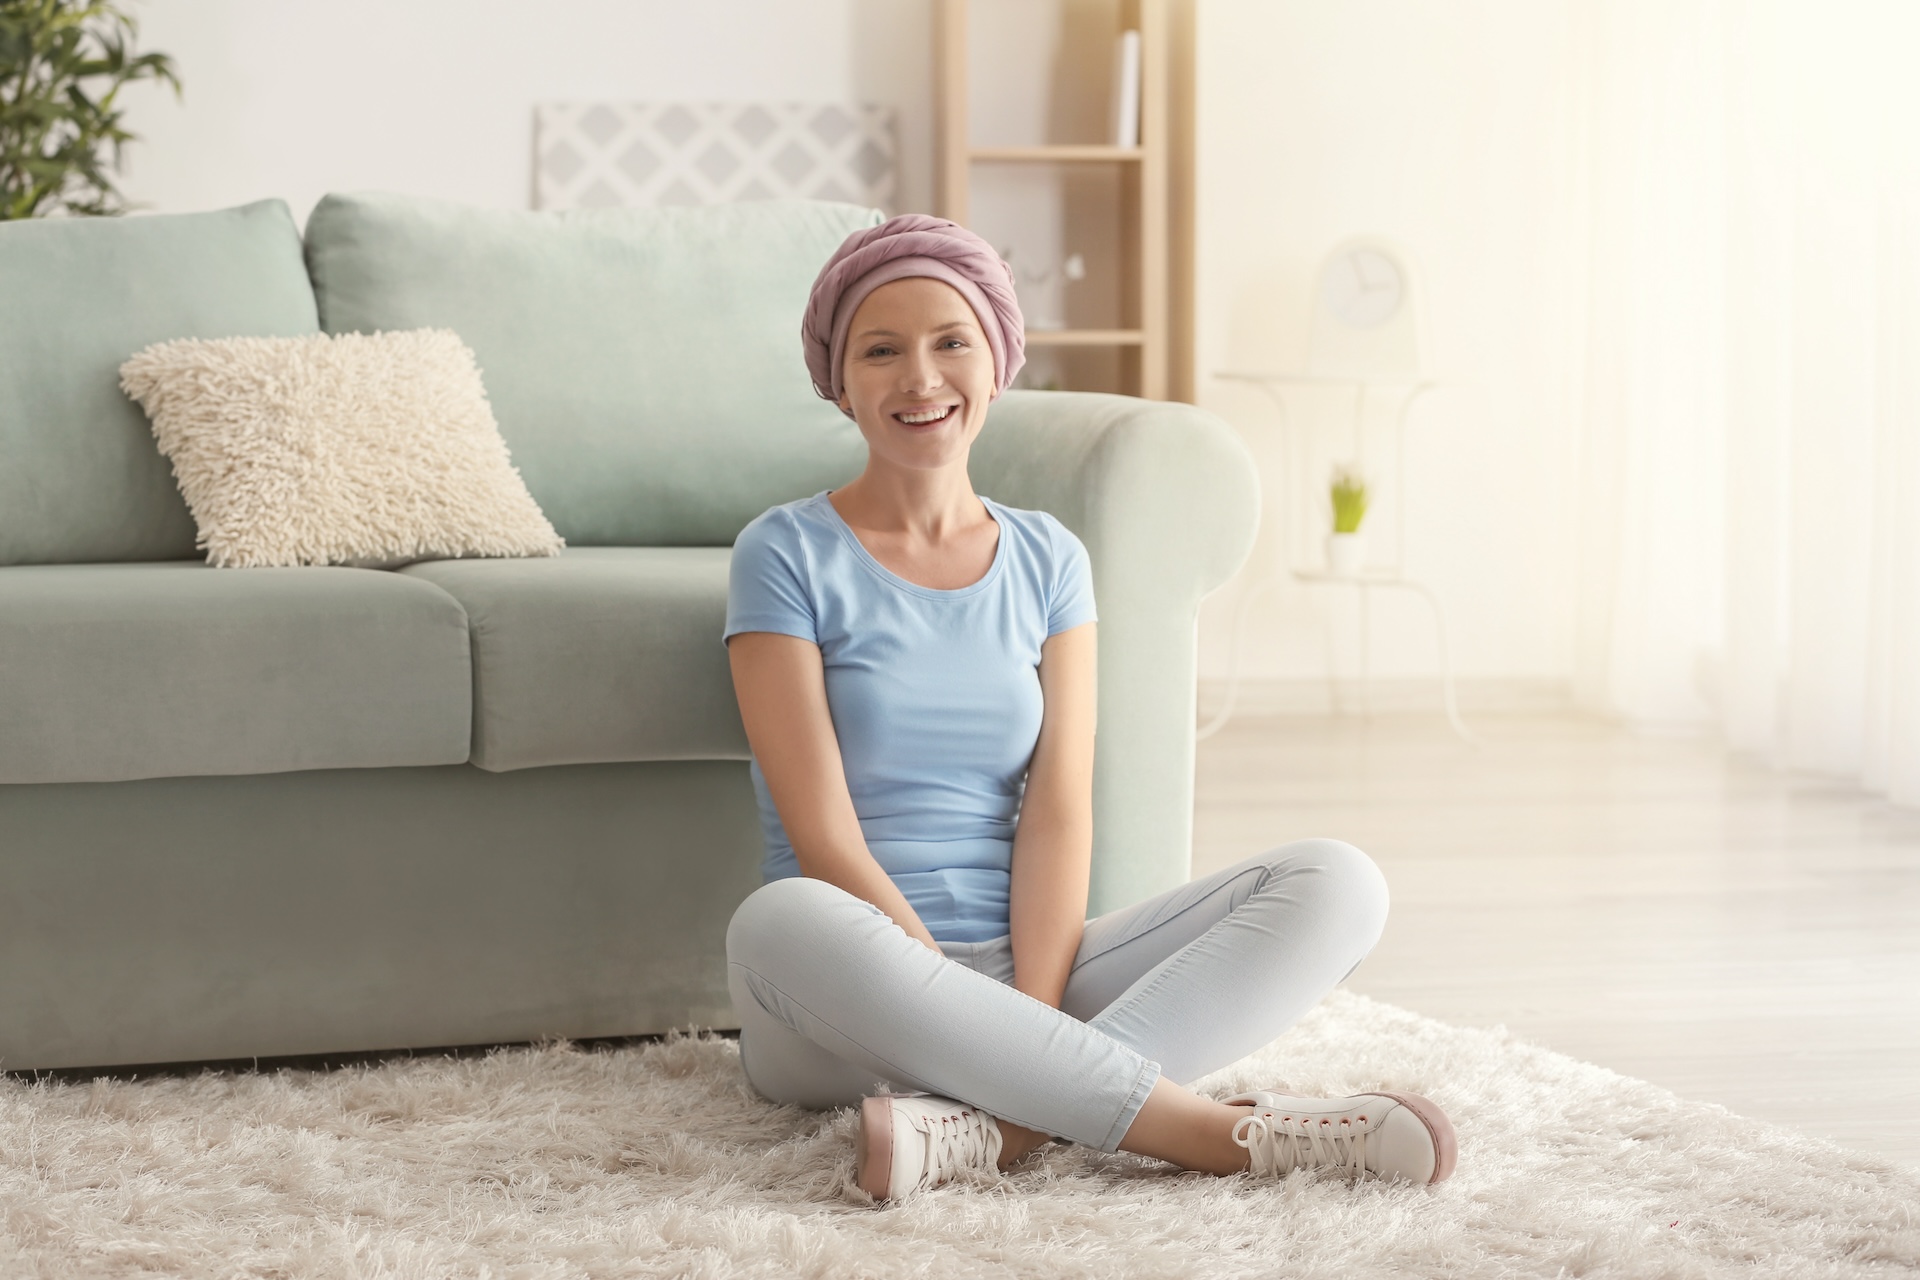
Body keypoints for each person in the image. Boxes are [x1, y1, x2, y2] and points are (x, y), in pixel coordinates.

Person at [722, 214, 1456, 1201]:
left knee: (1341, 881)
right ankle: (1216, 1137)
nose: (920, 376)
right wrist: (960, 1013)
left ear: (997, 362)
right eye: (881, 350)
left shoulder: (1049, 557)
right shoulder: (783, 552)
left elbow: (1060, 803)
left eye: (951, 342)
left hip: (1039, 971)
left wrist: (1029, 1015)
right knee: (776, 918)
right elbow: (821, 832)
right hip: (850, 997)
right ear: (839, 381)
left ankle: (992, 1128)